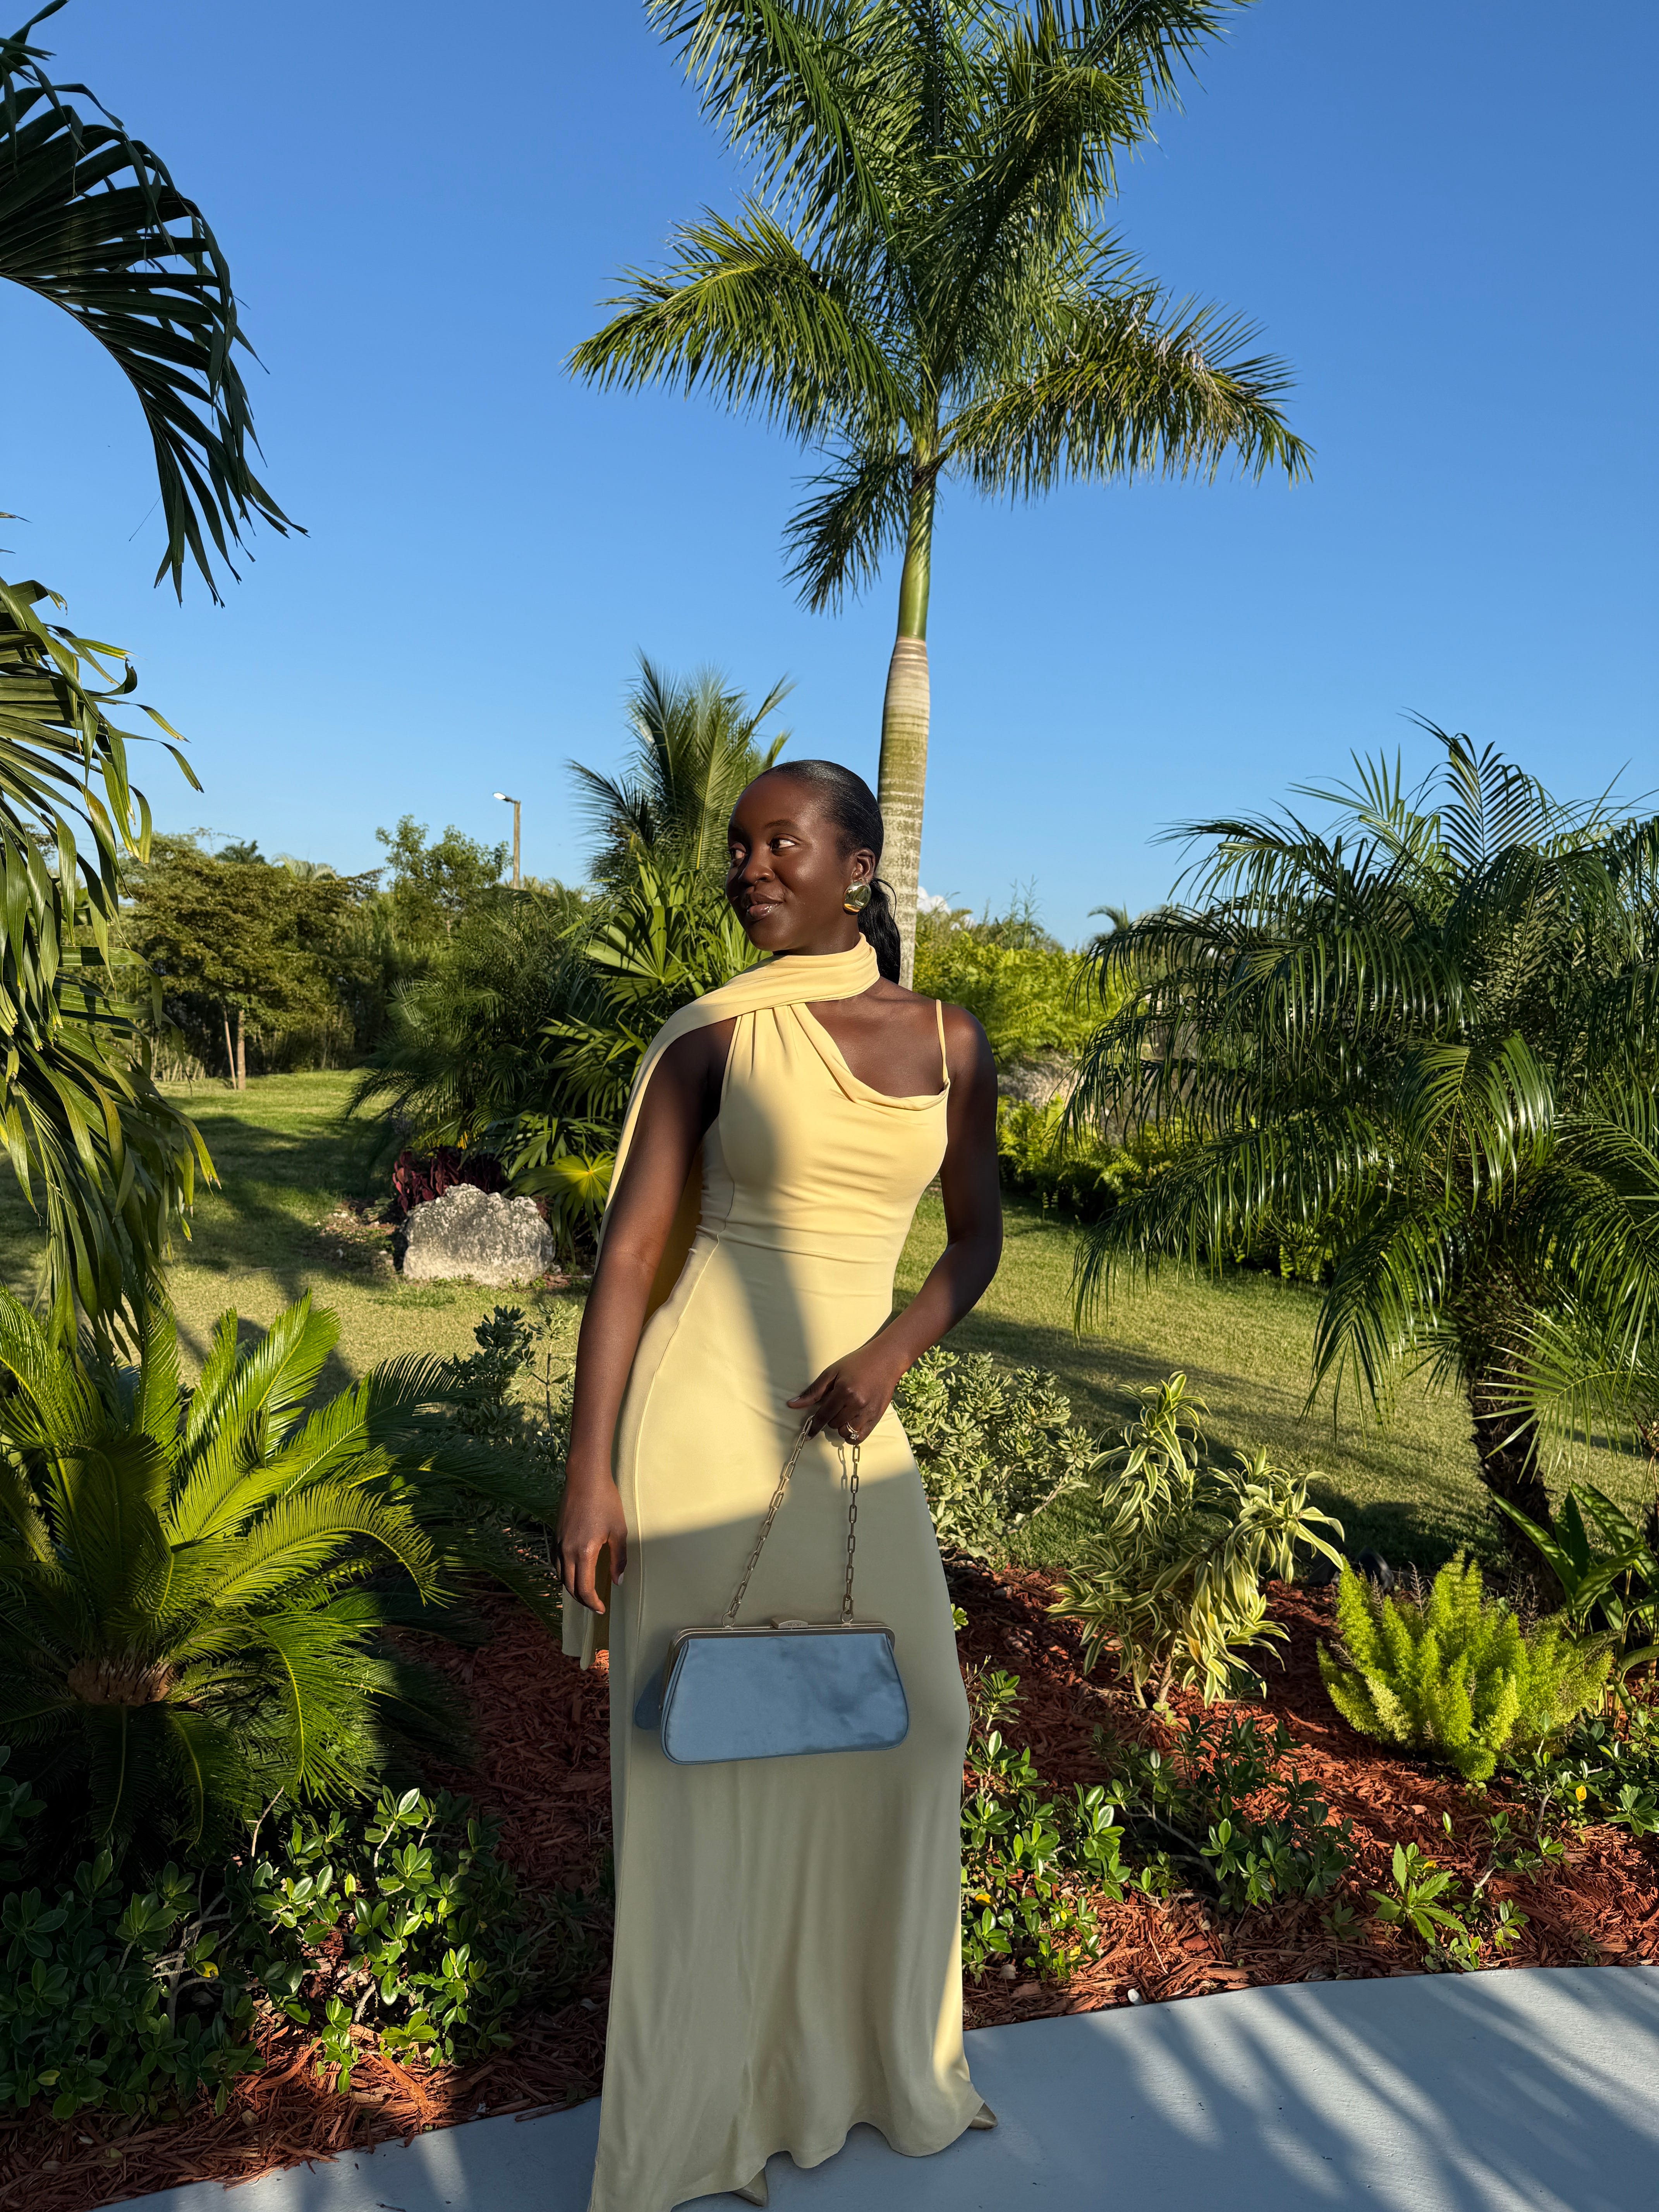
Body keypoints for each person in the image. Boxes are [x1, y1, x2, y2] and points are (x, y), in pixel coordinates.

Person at [558, 759, 1003, 2210]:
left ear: (858, 867)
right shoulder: (711, 1039)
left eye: (781, 843)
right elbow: (629, 1260)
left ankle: (863, 2065)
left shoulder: (949, 1038)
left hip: (856, 1424)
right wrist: (587, 1473)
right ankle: (699, 2107)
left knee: (913, 1724)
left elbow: (973, 1244)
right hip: (697, 1422)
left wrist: (890, 1354)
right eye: (739, 847)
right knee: (700, 1756)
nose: (750, 867)